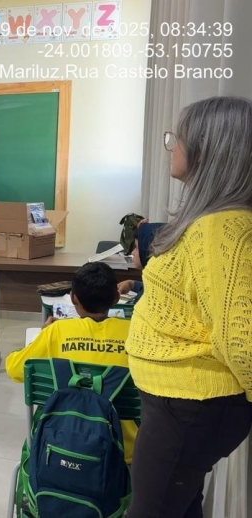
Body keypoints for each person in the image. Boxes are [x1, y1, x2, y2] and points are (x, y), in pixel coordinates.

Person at [125, 96, 252, 518]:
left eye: (175, 139)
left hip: (190, 406)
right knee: (178, 507)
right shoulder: (211, 221)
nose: (170, 146)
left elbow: (242, 339)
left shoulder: (222, 228)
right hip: (184, 403)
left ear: (205, 148)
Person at [5, 262, 137, 463]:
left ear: (74, 297)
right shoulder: (136, 334)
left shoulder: (57, 331)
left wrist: (41, 337)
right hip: (123, 451)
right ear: (116, 298)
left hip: (62, 442)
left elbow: (14, 369)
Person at [117, 221, 164, 303]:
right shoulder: (157, 281)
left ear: (149, 251)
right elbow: (146, 287)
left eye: (137, 248)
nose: (132, 252)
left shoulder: (154, 298)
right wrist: (131, 284)